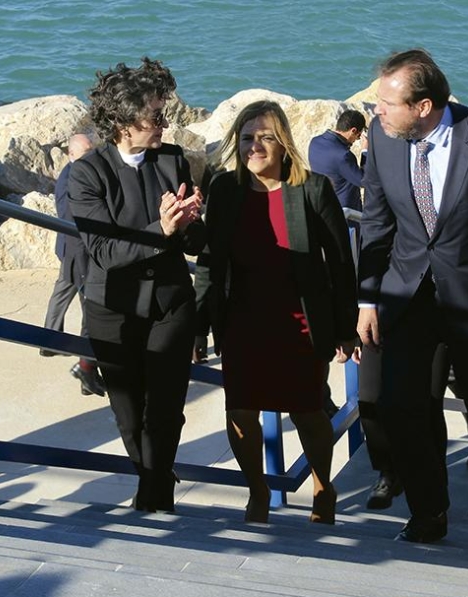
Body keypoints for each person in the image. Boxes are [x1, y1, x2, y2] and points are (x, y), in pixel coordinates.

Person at [356, 49, 468, 546]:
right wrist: (368, 298)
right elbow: (377, 225)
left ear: (424, 105)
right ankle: (430, 512)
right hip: (408, 296)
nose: (377, 111)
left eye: (387, 103)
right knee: (399, 405)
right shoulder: (382, 138)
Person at [194, 100, 357, 524]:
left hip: (301, 320)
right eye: (247, 138)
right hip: (242, 319)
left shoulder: (312, 188)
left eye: (265, 137)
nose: (255, 146)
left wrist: (346, 327)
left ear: (283, 142)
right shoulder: (224, 190)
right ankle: (257, 490)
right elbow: (210, 261)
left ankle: (323, 482)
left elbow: (340, 263)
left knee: (306, 409)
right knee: (240, 410)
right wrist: (198, 327)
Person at [68, 57, 206, 513]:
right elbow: (105, 252)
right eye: (156, 117)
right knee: (128, 415)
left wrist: (190, 221)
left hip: (170, 304)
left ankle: (154, 496)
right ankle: (154, 479)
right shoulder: (88, 173)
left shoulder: (172, 160)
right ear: (125, 122)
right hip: (113, 308)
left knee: (165, 410)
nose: (165, 125)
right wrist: (161, 230)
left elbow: (194, 245)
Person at [42, 132, 106, 397]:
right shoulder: (72, 180)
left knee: (65, 292)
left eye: (92, 151)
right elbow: (75, 219)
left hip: (73, 251)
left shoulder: (76, 173)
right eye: (85, 153)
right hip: (77, 252)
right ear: (70, 155)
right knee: (89, 307)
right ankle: (85, 365)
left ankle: (50, 341)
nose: (91, 156)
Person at [307, 109, 367, 211]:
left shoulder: (314, 142)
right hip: (345, 212)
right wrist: (365, 151)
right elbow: (363, 181)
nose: (357, 140)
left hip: (323, 206)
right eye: (358, 136)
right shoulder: (344, 156)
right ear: (353, 131)